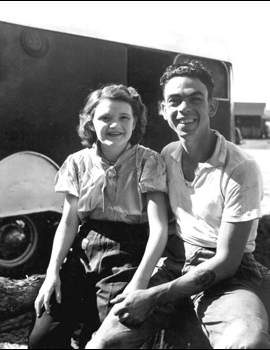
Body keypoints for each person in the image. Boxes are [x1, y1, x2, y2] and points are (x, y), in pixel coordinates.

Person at [87, 61, 270, 349]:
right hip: (175, 264)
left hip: (227, 279)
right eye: (174, 101)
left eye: (195, 99)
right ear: (163, 110)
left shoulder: (241, 168)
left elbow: (226, 261)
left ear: (211, 106)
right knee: (102, 343)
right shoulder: (168, 155)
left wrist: (153, 296)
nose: (184, 108)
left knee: (248, 343)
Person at [28, 84, 169, 349]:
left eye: (124, 117)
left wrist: (139, 281)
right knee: (42, 339)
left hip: (128, 252)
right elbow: (69, 222)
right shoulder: (77, 162)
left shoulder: (148, 162)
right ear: (91, 121)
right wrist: (52, 272)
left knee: (106, 334)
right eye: (105, 117)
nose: (114, 125)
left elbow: (159, 228)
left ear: (135, 121)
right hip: (83, 250)